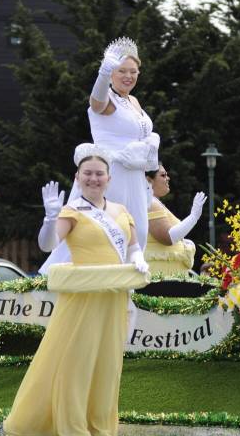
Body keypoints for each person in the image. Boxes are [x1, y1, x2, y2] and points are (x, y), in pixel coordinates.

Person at [4, 144, 149, 436]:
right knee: (78, 362)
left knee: (108, 363)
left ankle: (101, 430)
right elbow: (48, 244)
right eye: (88, 174)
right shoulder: (72, 211)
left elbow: (133, 245)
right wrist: (49, 217)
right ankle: (74, 432)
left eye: (99, 174)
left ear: (109, 178)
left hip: (113, 296)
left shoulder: (121, 211)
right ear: (78, 177)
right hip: (82, 297)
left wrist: (138, 258)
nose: (94, 179)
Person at [41, 37, 159, 272]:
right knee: (97, 228)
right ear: (112, 73)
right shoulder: (108, 99)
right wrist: (102, 75)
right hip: (110, 174)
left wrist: (151, 140)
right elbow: (96, 103)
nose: (128, 76)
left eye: (133, 71)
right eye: (121, 71)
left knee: (138, 231)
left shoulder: (133, 100)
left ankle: (128, 286)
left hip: (135, 176)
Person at [143, 164, 206, 275]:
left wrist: (184, 243)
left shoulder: (155, 202)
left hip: (168, 275)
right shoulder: (150, 203)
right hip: (159, 275)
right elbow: (168, 237)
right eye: (163, 175)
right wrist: (193, 217)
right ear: (149, 180)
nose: (168, 178)